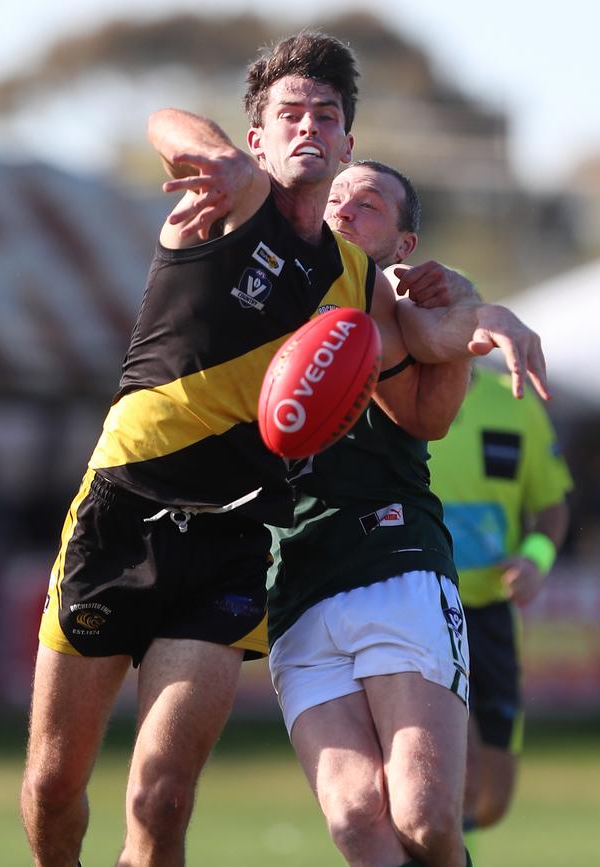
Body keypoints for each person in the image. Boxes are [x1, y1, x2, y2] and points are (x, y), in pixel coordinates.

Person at [20, 32, 547, 867]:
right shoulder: (232, 200)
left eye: (327, 116)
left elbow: (422, 394)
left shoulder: (355, 277)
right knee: (54, 789)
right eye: (288, 114)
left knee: (161, 795)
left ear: (346, 144)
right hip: (121, 514)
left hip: (231, 544)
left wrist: (488, 317)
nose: (308, 127)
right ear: (259, 137)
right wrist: (220, 159)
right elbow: (165, 119)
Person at [267, 159, 549, 867]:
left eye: (368, 204)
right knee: (358, 818)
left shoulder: (396, 298)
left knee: (424, 818)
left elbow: (445, 334)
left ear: (403, 244)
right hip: (297, 584)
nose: (345, 209)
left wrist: (489, 316)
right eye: (337, 197)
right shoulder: (266, 288)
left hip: (397, 569)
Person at [428, 361, 573, 837]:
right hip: (420, 610)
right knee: (453, 783)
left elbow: (552, 508)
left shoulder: (514, 404)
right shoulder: (391, 399)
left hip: (491, 616)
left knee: (491, 801)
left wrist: (535, 559)